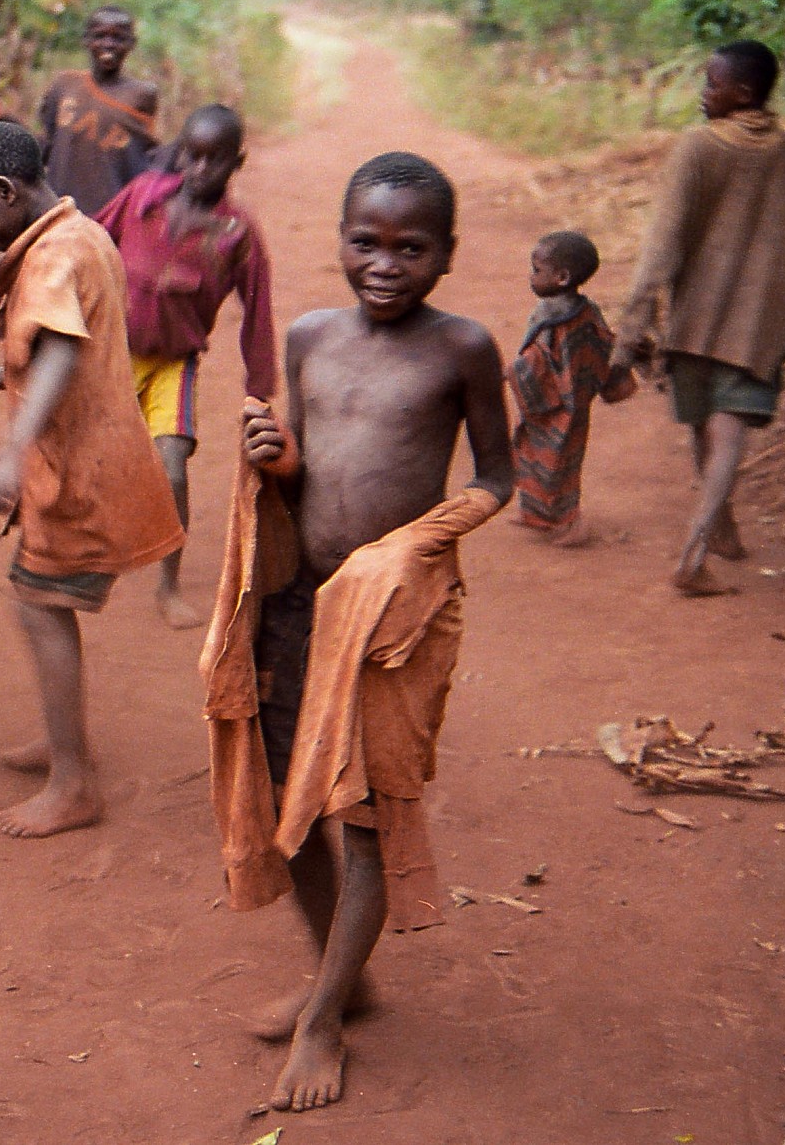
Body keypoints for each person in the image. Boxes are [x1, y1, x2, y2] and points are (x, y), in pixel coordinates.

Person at [201, 151, 513, 1115]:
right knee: (292, 809)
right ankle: (347, 980)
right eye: (365, 242)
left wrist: (423, 542)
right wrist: (276, 460)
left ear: (446, 256)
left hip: (390, 625)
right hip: (300, 606)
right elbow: (308, 465)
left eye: (411, 247)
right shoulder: (307, 335)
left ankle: (324, 1020)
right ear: (339, 241)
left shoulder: (462, 349)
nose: (385, 263)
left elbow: (497, 477)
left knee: (366, 824)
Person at [0, 121, 182, 838]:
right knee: (37, 599)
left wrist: (8, 452)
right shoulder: (82, 232)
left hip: (82, 476)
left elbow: (58, 356)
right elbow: (72, 341)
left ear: (5, 191)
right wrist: (2, 373)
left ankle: (74, 782)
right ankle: (61, 740)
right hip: (91, 461)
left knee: (40, 603)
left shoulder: (50, 257)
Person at [615, 39, 785, 597]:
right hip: (759, 327)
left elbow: (660, 246)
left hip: (695, 321)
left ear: (744, 93)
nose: (702, 94)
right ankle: (717, 528)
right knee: (724, 432)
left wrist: (632, 328)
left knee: (708, 425)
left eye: (711, 83)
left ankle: (696, 550)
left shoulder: (697, 149)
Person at [94, 103, 277, 628]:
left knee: (171, 467)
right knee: (91, 455)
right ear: (180, 152)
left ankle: (168, 583)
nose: (200, 170)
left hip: (173, 365)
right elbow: (87, 241)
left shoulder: (236, 234)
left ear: (235, 163)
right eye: (192, 156)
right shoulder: (141, 199)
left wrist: (258, 390)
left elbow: (258, 311)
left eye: (214, 160)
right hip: (112, 352)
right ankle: (90, 549)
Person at [508, 229, 637, 546]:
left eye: (537, 270)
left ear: (562, 277)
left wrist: (514, 371)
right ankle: (537, 515)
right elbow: (602, 345)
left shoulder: (555, 317)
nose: (531, 277)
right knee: (533, 453)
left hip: (562, 407)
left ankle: (573, 524)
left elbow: (541, 359)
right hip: (561, 403)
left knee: (558, 463)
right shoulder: (585, 310)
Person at [35, 5, 162, 216]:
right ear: (86, 39)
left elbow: (139, 155)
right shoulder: (65, 85)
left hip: (110, 215)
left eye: (118, 38)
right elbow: (48, 144)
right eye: (100, 36)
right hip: (58, 209)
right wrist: (2, 117)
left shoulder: (142, 94)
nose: (108, 44)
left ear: (131, 43)